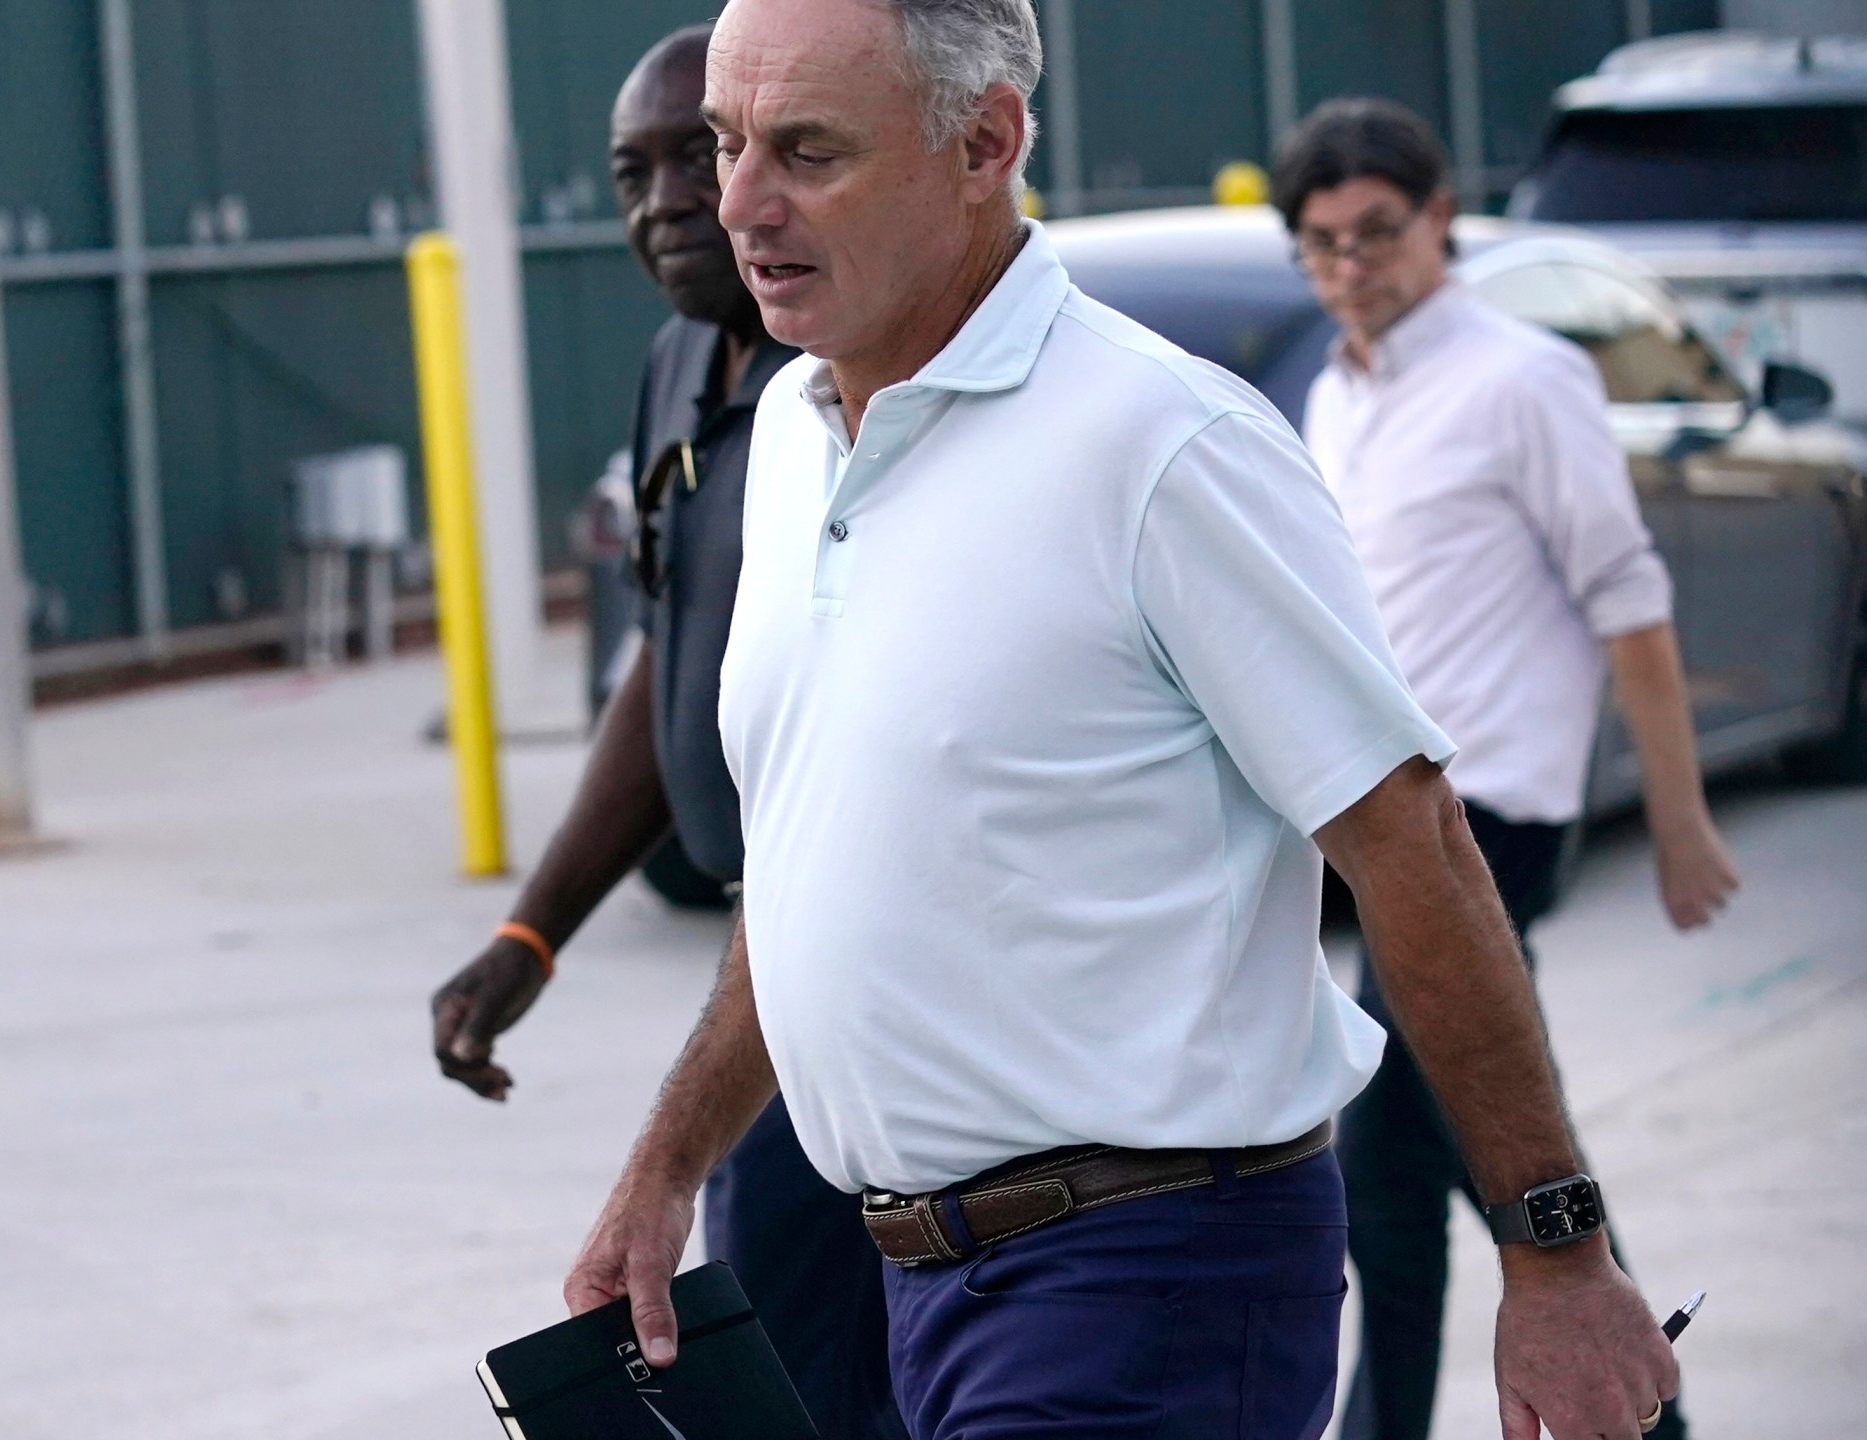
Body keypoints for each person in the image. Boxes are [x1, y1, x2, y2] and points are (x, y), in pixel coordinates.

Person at [561, 1, 1682, 1437]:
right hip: (917, 1282)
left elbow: (1417, 850)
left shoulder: (1165, 448)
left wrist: (1562, 1258)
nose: (738, 204)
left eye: (806, 152)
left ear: (986, 142)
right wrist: (666, 1163)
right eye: (725, 144)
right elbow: (807, 876)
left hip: (1148, 1279)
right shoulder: (790, 439)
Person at [425, 26, 906, 1440]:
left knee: (804, 1370)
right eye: (629, 172)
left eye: (693, 156)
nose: (667, 202)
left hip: (871, 984)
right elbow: (667, 663)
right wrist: (533, 932)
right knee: (771, 1362)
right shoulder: (678, 366)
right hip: (764, 965)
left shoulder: (853, 393)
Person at [1272, 98, 1737, 1440]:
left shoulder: (1525, 376)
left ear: (1439, 221)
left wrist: (1679, 817)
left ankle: (1632, 1415)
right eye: (1322, 244)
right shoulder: (1337, 392)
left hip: (1494, 814)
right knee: (1421, 1174)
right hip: (1382, 815)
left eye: (1378, 233)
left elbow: (1626, 597)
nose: (1353, 265)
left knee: (1471, 1168)